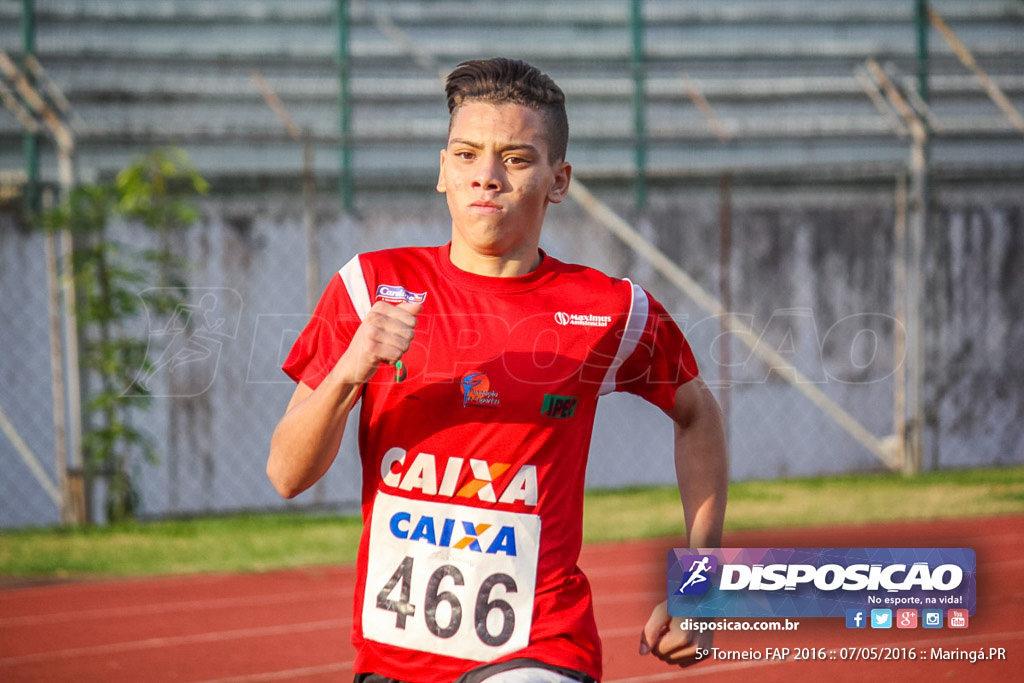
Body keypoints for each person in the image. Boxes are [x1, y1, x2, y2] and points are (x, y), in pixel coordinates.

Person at [268, 57, 728, 683]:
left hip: (541, 645)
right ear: (442, 171)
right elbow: (287, 474)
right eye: (466, 155)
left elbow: (698, 415)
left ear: (557, 180)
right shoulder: (368, 287)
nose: (486, 177)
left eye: (515, 158)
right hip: (393, 658)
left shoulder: (611, 308)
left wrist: (701, 584)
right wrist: (353, 366)